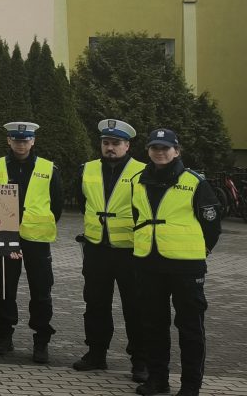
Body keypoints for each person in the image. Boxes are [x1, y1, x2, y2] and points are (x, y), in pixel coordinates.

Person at [131, 129, 220, 396]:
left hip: (186, 266)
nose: (160, 152)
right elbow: (137, 216)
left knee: (190, 327)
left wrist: (202, 249)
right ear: (148, 151)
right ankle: (158, 380)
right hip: (149, 262)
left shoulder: (194, 182)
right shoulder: (138, 180)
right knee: (153, 324)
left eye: (165, 148)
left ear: (176, 151)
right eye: (155, 147)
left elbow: (212, 222)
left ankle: (190, 386)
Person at [0, 121, 62, 364]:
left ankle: (41, 339)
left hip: (37, 239)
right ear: (9, 141)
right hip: (5, 236)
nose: (20, 144)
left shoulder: (48, 168)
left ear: (33, 141)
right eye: (16, 140)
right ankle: (5, 336)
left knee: (41, 290)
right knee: (5, 288)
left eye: (25, 140)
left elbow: (57, 205)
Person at [73, 119, 147, 383]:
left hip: (130, 250)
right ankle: (96, 353)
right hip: (96, 248)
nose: (110, 148)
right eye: (106, 143)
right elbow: (84, 203)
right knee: (95, 304)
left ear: (127, 145)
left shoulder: (143, 171)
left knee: (136, 307)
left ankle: (141, 361)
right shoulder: (88, 169)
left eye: (116, 143)